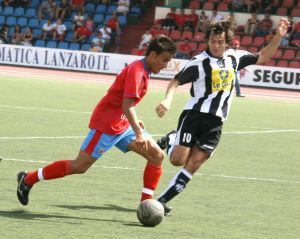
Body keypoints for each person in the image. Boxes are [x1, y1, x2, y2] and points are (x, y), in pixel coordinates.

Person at [16, 35, 177, 206]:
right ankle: (28, 179)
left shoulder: (145, 70)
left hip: (121, 124)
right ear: (152, 55)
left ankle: (147, 204)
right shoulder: (137, 71)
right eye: (164, 60)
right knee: (79, 166)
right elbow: (126, 105)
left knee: (156, 155)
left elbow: (125, 105)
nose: (166, 65)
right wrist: (138, 131)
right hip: (106, 124)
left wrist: (135, 123)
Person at [154, 19, 289, 214]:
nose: (215, 45)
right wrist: (167, 100)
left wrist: (278, 37)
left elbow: (263, 57)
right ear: (208, 40)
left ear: (227, 42)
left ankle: (160, 202)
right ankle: (172, 138)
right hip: (194, 116)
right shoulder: (199, 62)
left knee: (193, 164)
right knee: (177, 160)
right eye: (212, 41)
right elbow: (176, 81)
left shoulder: (236, 57)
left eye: (220, 41)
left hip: (215, 124)